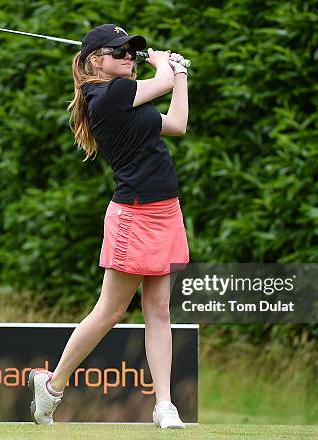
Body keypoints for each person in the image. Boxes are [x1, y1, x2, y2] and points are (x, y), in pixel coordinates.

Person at [28, 23, 189, 429]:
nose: (128, 57)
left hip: (165, 211)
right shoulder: (107, 94)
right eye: (119, 52)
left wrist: (180, 74)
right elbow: (162, 82)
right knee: (111, 311)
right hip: (134, 216)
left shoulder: (128, 99)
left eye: (131, 52)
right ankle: (52, 386)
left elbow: (177, 124)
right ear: (95, 59)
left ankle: (164, 405)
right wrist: (164, 63)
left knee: (158, 310)